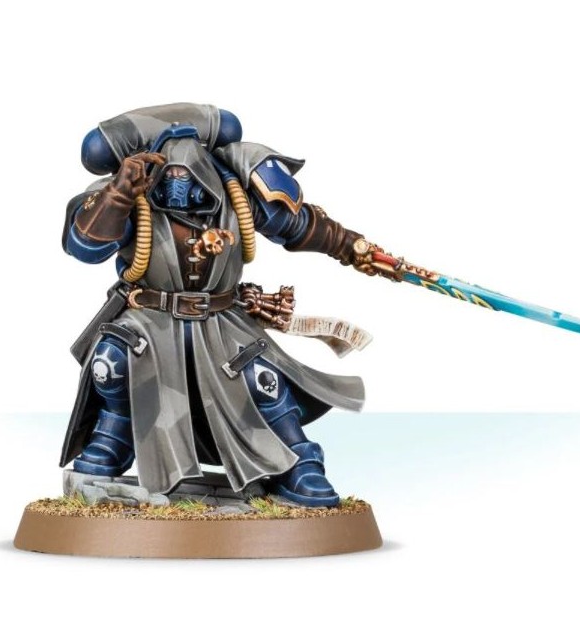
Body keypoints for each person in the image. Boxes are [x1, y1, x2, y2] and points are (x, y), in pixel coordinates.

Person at [60, 103, 372, 507]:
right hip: (150, 318)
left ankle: (298, 461)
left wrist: (353, 247)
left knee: (262, 378)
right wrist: (119, 194)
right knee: (114, 361)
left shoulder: (235, 190)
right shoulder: (130, 191)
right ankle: (113, 440)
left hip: (221, 319)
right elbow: (85, 246)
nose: (179, 178)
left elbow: (297, 225)